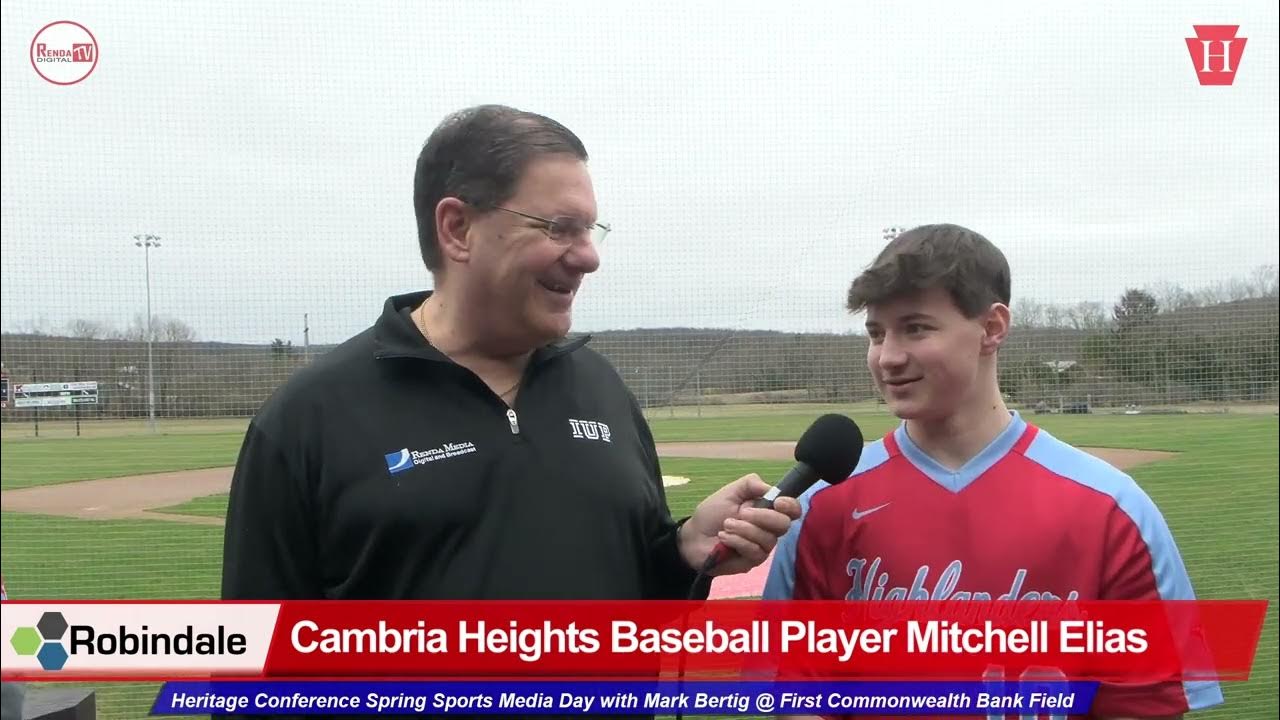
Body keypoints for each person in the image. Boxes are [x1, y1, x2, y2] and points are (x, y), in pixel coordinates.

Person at [221, 103, 798, 603]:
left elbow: (634, 597)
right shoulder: (309, 418)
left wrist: (681, 550)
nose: (589, 257)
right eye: (559, 227)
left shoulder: (600, 389)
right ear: (457, 229)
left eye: (590, 230)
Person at [763, 224, 1222, 719]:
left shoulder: (1112, 510)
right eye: (876, 334)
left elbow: (1143, 706)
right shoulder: (821, 506)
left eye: (916, 328)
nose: (888, 357)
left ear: (992, 327)